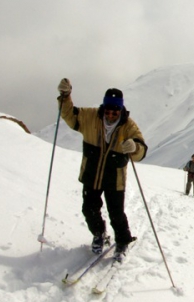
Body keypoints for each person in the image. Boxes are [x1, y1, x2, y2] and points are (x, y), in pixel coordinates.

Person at [57, 78, 147, 262]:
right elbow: (69, 116)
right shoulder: (90, 117)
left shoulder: (129, 126)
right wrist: (65, 96)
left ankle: (122, 241)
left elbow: (141, 151)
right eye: (108, 110)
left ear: (120, 110)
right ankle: (99, 234)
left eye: (115, 111)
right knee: (89, 209)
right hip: (91, 174)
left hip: (115, 178)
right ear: (103, 108)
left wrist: (135, 147)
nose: (111, 114)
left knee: (116, 213)